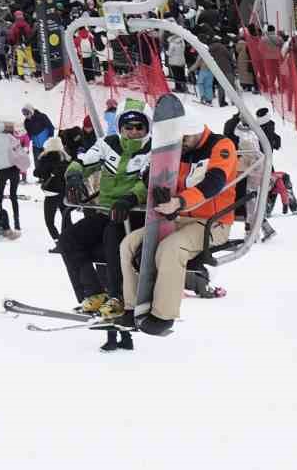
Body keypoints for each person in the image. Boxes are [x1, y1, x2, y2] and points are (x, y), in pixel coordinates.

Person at [114, 112, 240, 336]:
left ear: (198, 131)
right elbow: (153, 169)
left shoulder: (221, 145)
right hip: (178, 216)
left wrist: (180, 201)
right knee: (128, 245)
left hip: (211, 222)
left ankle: (163, 315)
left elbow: (214, 182)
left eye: (186, 138)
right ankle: (133, 306)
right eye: (178, 138)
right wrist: (154, 185)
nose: (182, 143)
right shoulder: (177, 148)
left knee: (171, 248)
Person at [59, 110, 152, 318]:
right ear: (120, 128)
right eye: (128, 127)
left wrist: (131, 198)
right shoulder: (108, 144)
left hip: (133, 213)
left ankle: (118, 296)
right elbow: (83, 161)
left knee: (112, 237)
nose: (134, 132)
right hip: (105, 211)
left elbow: (149, 181)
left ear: (147, 128)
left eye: (140, 127)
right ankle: (94, 293)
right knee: (68, 239)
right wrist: (74, 175)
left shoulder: (152, 149)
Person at [35, 136, 73, 247]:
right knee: (67, 219)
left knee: (49, 221)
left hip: (51, 193)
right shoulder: (66, 159)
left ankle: (58, 241)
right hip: (64, 193)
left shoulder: (45, 158)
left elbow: (36, 173)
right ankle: (70, 242)